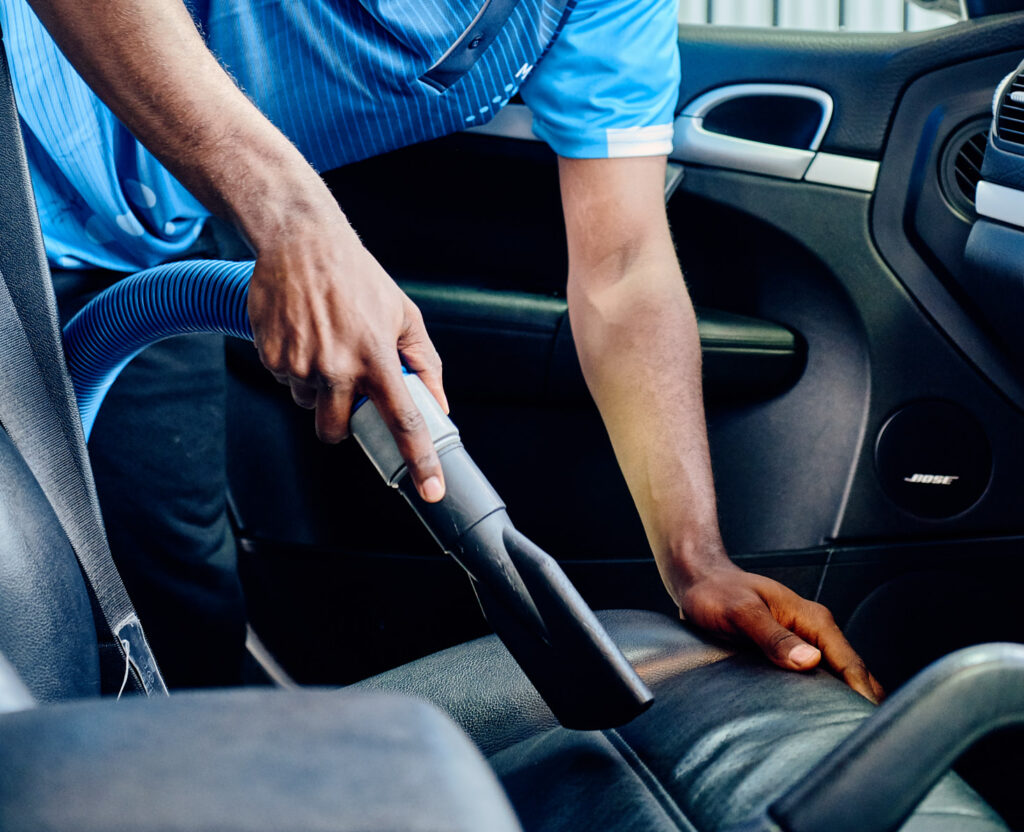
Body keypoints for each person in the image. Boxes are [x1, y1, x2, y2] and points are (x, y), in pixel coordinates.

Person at [3, 0, 882, 701]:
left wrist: (698, 561)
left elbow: (622, 266)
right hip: (18, 167)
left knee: (175, 622)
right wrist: (293, 216)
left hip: (140, 246)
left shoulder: (593, 9)